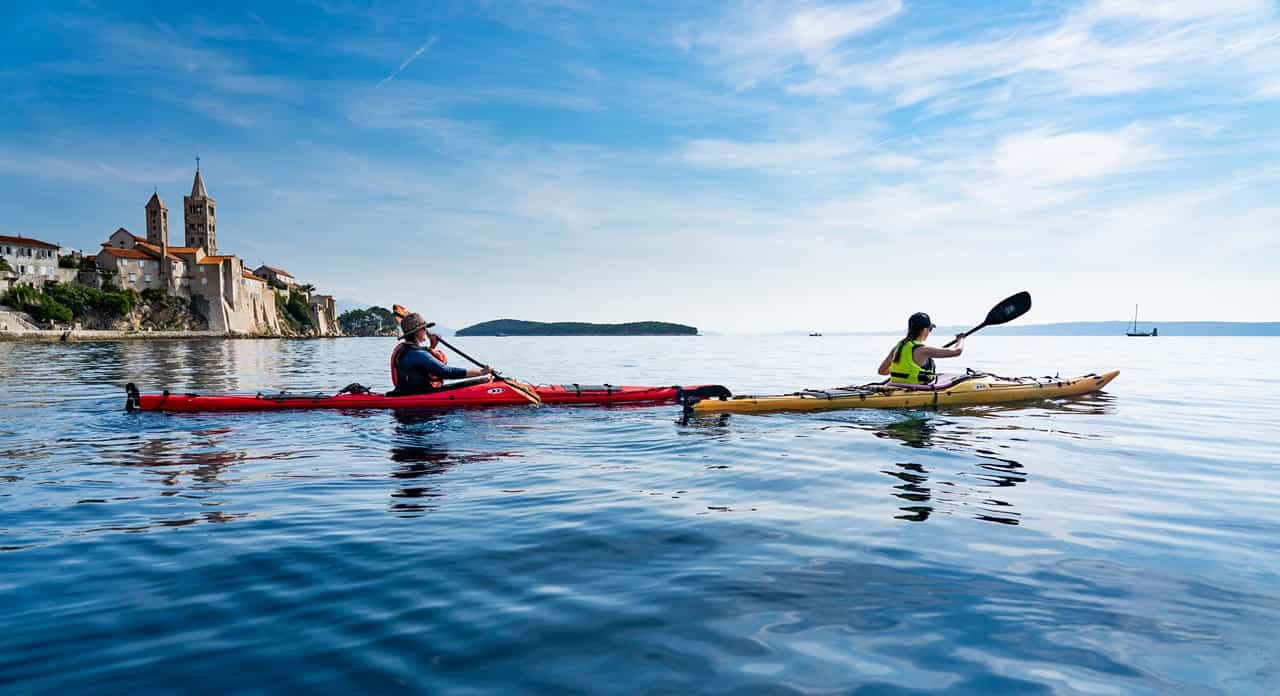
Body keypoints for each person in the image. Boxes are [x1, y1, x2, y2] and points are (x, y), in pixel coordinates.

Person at [390, 312, 491, 395]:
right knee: (483, 380)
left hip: (406, 392)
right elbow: (447, 372)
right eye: (424, 328)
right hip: (417, 395)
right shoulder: (416, 353)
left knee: (482, 381)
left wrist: (432, 347)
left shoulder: (406, 349)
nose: (426, 331)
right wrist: (481, 372)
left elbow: (423, 363)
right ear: (417, 332)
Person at [877, 312, 964, 385]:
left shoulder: (898, 347)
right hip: (915, 389)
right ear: (925, 330)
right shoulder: (923, 350)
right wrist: (960, 339)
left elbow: (881, 371)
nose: (929, 332)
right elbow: (957, 352)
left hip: (897, 386)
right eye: (930, 329)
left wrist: (901, 371)